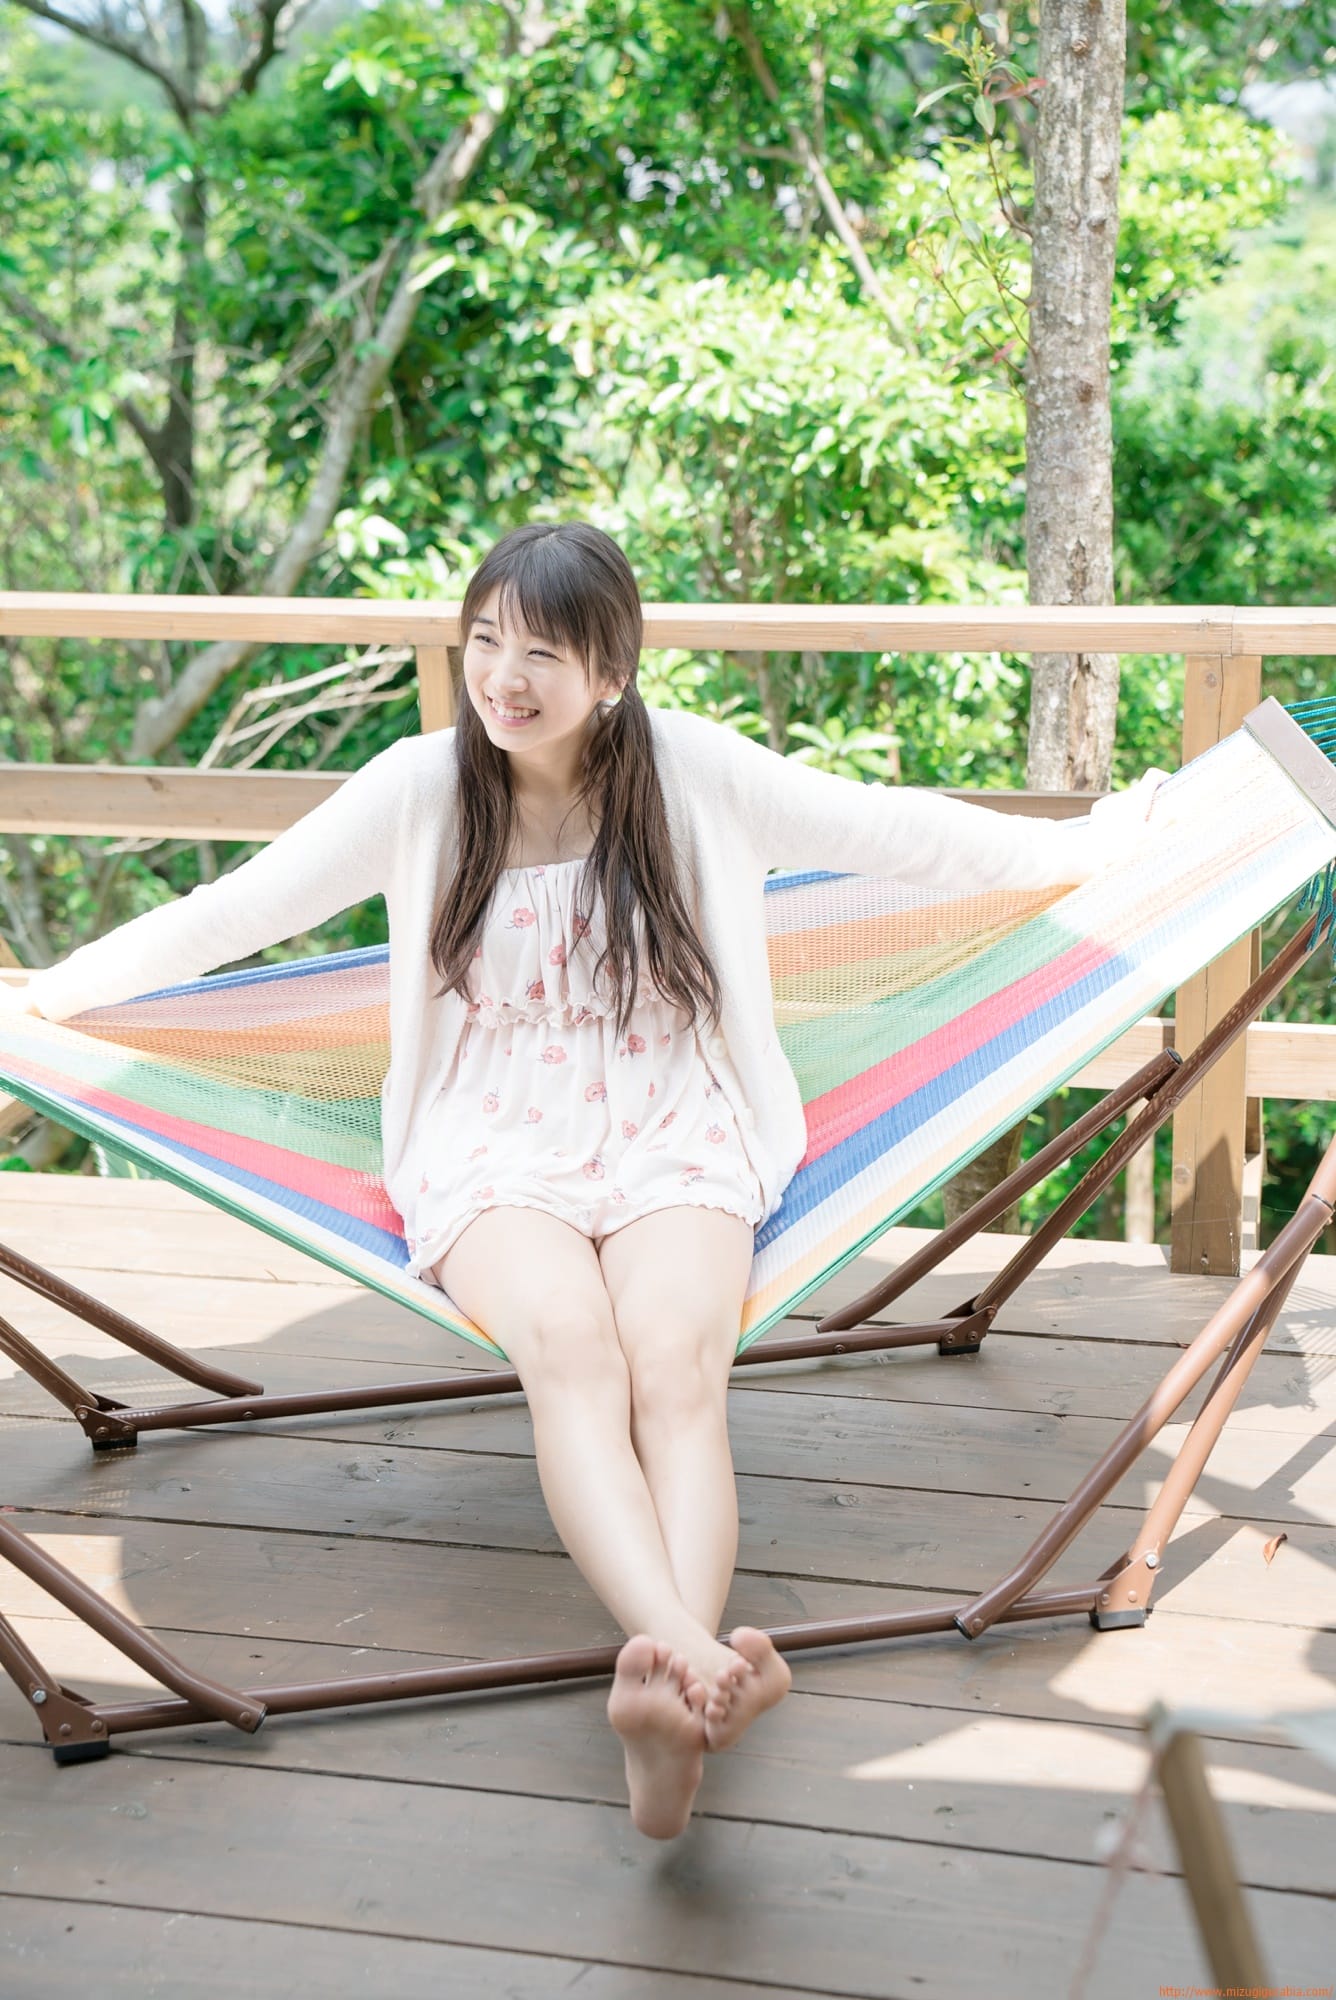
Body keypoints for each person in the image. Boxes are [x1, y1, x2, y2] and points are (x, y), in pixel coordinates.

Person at [1, 521, 1165, 1839]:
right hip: (486, 1140)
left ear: (613, 672)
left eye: (542, 653)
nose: (503, 677)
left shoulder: (697, 774)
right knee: (570, 1353)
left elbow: (906, 838)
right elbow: (238, 912)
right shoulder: (420, 788)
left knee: (676, 1365)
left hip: (681, 1123)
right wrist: (55, 997)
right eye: (485, 640)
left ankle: (669, 1700)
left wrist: (1106, 843)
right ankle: (691, 1664)